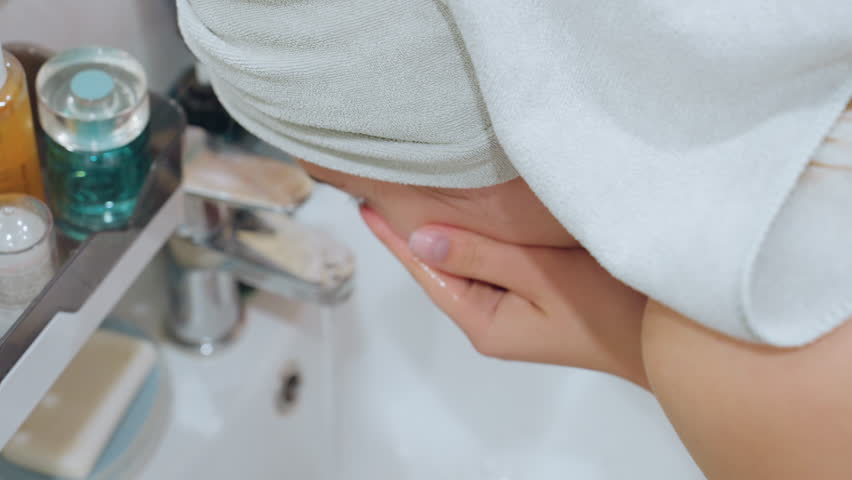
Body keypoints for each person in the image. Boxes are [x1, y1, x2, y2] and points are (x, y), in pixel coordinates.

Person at [177, 1, 852, 477]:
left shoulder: (762, 330)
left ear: (526, 132)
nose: (375, 226)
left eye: (360, 192)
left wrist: (645, 353)